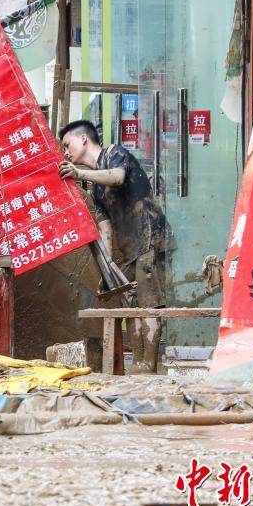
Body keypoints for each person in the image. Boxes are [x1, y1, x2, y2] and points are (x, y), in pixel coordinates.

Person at [57, 120, 171, 373]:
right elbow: (105, 229)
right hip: (128, 249)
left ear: (84, 139)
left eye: (68, 144)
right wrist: (107, 272)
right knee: (130, 306)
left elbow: (118, 178)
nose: (66, 152)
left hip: (150, 237)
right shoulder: (95, 189)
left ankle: (148, 366)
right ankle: (140, 365)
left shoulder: (115, 153)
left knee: (148, 305)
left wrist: (79, 174)